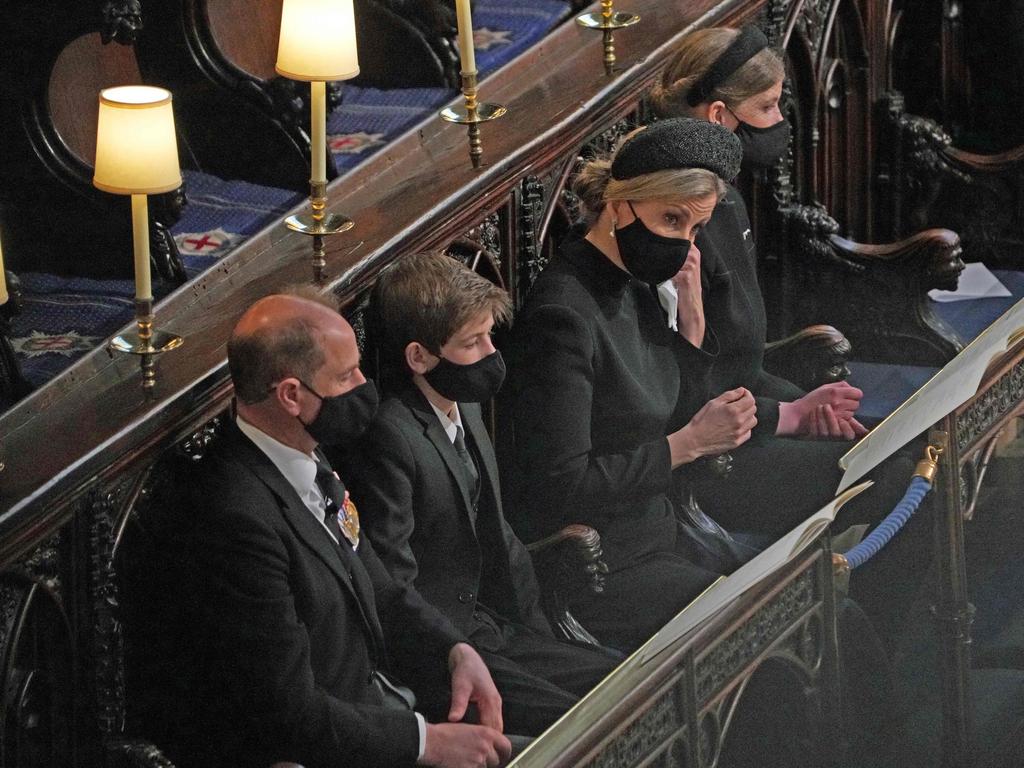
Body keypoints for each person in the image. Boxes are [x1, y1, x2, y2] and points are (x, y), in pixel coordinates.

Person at [126, 289, 513, 768]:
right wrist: (423, 742)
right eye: (346, 375)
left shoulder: (306, 450)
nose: (363, 385)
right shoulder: (236, 518)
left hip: (389, 708)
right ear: (291, 395)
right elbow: (290, 712)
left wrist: (454, 649)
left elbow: (381, 589)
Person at [647, 25, 929, 646]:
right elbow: (691, 385)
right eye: (768, 108)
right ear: (720, 116)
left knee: (902, 445)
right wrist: (790, 414)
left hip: (754, 416)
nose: (780, 123)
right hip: (712, 460)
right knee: (894, 479)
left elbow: (744, 353)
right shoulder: (672, 223)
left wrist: (810, 403)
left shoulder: (727, 200)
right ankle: (864, 645)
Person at [333, 252, 621, 736]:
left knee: (617, 683)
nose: (491, 352)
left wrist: (537, 631)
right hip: (445, 647)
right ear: (419, 357)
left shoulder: (462, 407)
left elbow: (497, 530)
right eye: (473, 343)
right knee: (582, 722)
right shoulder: (391, 436)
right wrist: (452, 648)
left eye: (490, 335)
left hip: (496, 626)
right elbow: (393, 580)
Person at [504, 118, 759, 652]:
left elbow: (671, 407)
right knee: (753, 629)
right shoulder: (563, 316)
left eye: (695, 230)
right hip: (603, 568)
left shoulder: (634, 282)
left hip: (662, 532)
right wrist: (690, 443)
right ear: (620, 207)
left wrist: (692, 314)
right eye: (671, 220)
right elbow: (560, 487)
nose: (683, 244)